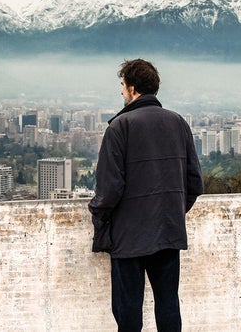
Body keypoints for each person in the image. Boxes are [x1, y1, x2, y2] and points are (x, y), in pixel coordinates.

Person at [88, 58, 204, 332]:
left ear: (132, 88)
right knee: (168, 304)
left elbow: (108, 190)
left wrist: (101, 219)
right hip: (168, 231)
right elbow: (194, 183)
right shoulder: (178, 123)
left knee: (128, 310)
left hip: (129, 236)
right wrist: (171, 209)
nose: (121, 91)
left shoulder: (120, 127)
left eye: (122, 85)